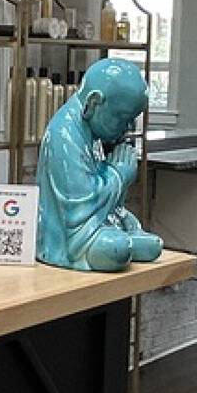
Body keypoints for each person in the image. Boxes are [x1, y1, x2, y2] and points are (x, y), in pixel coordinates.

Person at [37, 56, 163, 272]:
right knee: (117, 250)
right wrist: (118, 174)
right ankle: (119, 244)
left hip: (98, 223)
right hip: (70, 238)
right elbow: (78, 205)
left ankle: (123, 238)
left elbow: (100, 188)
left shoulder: (92, 132)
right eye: (123, 118)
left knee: (151, 245)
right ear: (94, 103)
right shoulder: (64, 134)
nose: (129, 127)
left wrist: (120, 213)